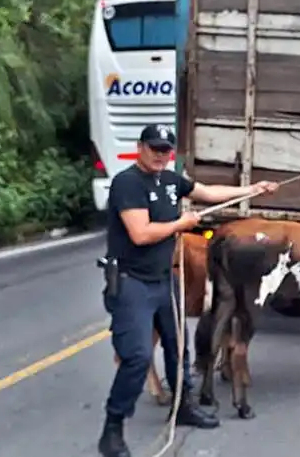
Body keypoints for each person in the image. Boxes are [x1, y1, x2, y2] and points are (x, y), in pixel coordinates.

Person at [98, 123, 279, 457]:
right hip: (131, 282)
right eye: (154, 148)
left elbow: (208, 193)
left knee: (177, 348)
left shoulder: (170, 180)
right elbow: (140, 233)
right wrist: (180, 225)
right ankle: (113, 429)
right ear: (140, 148)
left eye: (166, 150)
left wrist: (253, 189)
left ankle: (183, 407)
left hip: (164, 280)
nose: (160, 155)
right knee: (137, 356)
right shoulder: (128, 183)